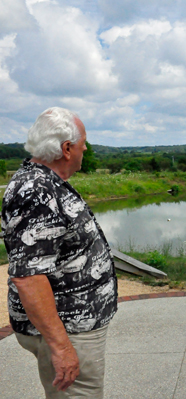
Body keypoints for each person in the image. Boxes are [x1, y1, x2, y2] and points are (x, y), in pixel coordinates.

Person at [1, 107, 118, 398]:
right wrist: (61, 347)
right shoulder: (37, 192)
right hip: (70, 329)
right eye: (83, 143)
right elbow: (29, 276)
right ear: (67, 149)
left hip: (73, 323)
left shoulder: (44, 182)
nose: (86, 148)